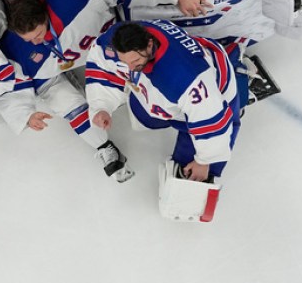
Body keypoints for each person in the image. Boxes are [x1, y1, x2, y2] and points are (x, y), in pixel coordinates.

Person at [86, 20, 248, 196]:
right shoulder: (118, 38)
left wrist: (204, 161)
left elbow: (211, 117)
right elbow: (101, 63)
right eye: (126, 62)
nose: (130, 68)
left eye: (136, 61)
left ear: (149, 44)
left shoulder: (184, 75)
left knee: (198, 168)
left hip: (213, 86)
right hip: (176, 84)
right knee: (142, 118)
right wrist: (102, 105)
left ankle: (239, 73)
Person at [0, 0, 134, 181]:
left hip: (102, 47)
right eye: (29, 40)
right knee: (65, 103)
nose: (36, 42)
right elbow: (9, 82)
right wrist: (24, 115)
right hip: (49, 73)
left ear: (45, 17)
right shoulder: (14, 47)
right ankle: (105, 147)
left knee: (134, 75)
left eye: (39, 34)